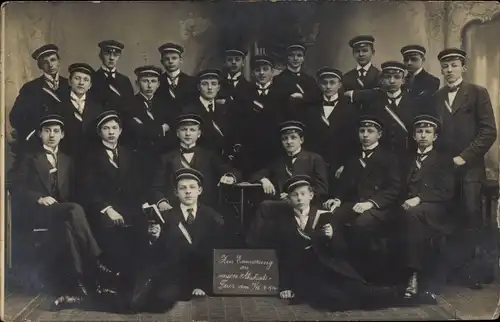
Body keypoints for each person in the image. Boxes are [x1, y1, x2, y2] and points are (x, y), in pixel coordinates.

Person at [246, 175, 398, 310]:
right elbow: (283, 256)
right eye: (295, 195)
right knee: (332, 299)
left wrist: (332, 236)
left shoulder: (325, 216)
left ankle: (394, 295)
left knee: (362, 290)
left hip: (330, 268)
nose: (299, 198)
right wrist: (285, 286)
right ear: (288, 198)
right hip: (306, 274)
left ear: (311, 195)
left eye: (303, 194)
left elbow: (340, 251)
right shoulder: (282, 222)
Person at [15, 114, 117, 309]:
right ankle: (95, 261)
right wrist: (39, 197)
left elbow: (75, 190)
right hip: (39, 212)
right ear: (39, 134)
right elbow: (17, 186)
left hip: (64, 214)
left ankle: (77, 286)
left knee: (68, 228)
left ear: (62, 135)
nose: (51, 135)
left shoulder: (67, 160)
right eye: (47, 131)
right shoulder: (29, 158)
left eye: (55, 131)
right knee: (74, 209)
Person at [432, 48, 497, 289]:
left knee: (471, 217)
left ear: (463, 67)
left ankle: (474, 274)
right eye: (445, 66)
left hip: (470, 170)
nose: (449, 70)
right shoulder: (436, 97)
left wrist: (464, 157)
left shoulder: (478, 93)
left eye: (454, 65)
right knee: (447, 217)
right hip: (444, 169)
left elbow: (489, 131)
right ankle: (451, 271)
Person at [131, 168, 226, 312]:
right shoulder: (167, 216)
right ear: (176, 192)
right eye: (182, 188)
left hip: (202, 276)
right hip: (175, 276)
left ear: (200, 190)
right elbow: (159, 254)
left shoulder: (213, 218)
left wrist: (203, 284)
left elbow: (217, 254)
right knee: (158, 301)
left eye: (192, 187)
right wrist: (154, 238)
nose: (188, 191)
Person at [323, 115, 401, 279]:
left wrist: (371, 203)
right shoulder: (353, 159)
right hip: (354, 203)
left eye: (370, 131)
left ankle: (365, 273)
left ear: (379, 134)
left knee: (361, 225)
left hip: (380, 208)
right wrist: (337, 199)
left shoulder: (389, 159)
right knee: (332, 218)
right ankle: (341, 269)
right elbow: (346, 185)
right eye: (362, 131)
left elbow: (394, 188)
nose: (365, 135)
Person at [81, 110, 149, 293]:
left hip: (128, 207)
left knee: (142, 229)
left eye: (114, 128)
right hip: (102, 209)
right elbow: (89, 189)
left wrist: (142, 204)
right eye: (106, 128)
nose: (111, 132)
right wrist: (107, 208)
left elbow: (137, 186)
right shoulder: (90, 157)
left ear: (120, 131)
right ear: (99, 132)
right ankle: (110, 280)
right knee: (111, 232)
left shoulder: (129, 155)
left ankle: (134, 282)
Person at [397, 114, 455, 301]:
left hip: (435, 209)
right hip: (408, 208)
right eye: (419, 132)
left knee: (413, 216)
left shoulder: (443, 160)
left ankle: (412, 276)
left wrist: (419, 198)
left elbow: (446, 192)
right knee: (406, 218)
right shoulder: (406, 159)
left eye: (428, 132)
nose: (423, 135)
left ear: (435, 137)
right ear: (414, 136)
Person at [150, 113, 240, 210]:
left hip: (205, 211)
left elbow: (234, 172)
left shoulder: (209, 156)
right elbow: (156, 188)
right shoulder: (166, 158)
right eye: (184, 129)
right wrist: (161, 202)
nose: (188, 134)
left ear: (199, 134)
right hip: (175, 211)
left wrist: (230, 177)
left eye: (192, 130)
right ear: (177, 133)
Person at [345, 61, 423, 162]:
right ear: (382, 80)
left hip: (407, 158)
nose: (392, 81)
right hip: (381, 160)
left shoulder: (414, 102)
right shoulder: (374, 103)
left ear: (403, 80)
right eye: (388, 77)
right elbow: (348, 95)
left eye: (397, 77)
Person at [303, 67, 359, 192]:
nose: (328, 86)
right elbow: (307, 140)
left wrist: (346, 165)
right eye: (324, 83)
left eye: (332, 82)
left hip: (340, 166)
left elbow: (354, 141)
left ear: (339, 85)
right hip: (316, 166)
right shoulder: (311, 110)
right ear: (319, 84)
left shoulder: (350, 110)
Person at [9, 44, 70, 158]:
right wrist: (33, 133)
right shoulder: (30, 88)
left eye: (53, 60)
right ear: (40, 66)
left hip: (66, 142)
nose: (50, 64)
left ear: (59, 61)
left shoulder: (70, 85)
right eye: (45, 62)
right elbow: (15, 117)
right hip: (39, 144)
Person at [238, 55, 293, 175]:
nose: (261, 73)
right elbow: (238, 123)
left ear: (272, 72)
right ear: (253, 73)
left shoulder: (283, 94)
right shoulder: (243, 94)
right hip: (251, 152)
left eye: (265, 69)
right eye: (257, 70)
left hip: (276, 152)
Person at [249, 120, 328, 203]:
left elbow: (322, 189)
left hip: (307, 207)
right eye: (284, 139)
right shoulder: (278, 162)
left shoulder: (314, 159)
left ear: (301, 140)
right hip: (281, 207)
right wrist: (263, 179)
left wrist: (294, 195)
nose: (289, 142)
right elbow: (255, 175)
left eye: (293, 137)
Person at [123, 65, 175, 182]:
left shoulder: (166, 104)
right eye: (145, 81)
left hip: (162, 156)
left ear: (158, 84)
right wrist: (161, 129)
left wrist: (144, 127)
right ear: (137, 83)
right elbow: (135, 129)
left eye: (153, 81)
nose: (149, 85)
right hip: (139, 157)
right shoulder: (129, 104)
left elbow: (172, 127)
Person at [50, 63, 105, 162]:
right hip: (65, 158)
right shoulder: (58, 106)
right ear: (70, 82)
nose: (81, 83)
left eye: (86, 80)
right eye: (77, 78)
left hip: (91, 160)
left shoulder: (97, 108)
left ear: (90, 85)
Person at [182, 69, 239, 158]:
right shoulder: (189, 111)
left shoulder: (225, 109)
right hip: (201, 160)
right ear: (198, 87)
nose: (209, 88)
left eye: (213, 84)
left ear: (218, 88)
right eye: (205, 84)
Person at [273, 41, 322, 113]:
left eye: (299, 55)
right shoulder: (278, 79)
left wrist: (302, 96)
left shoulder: (309, 80)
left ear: (303, 59)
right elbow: (276, 103)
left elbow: (317, 98)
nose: (295, 58)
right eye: (292, 55)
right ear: (287, 58)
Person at [90, 40, 134, 113]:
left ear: (119, 57)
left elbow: (130, 106)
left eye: (115, 55)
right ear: (100, 56)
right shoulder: (92, 78)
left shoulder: (125, 81)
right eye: (107, 54)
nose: (111, 58)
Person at [157, 42, 197, 108]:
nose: (170, 61)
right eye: (167, 59)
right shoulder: (157, 82)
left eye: (174, 58)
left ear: (180, 60)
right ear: (162, 62)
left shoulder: (192, 82)